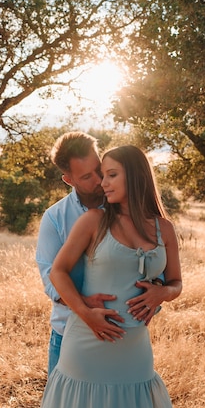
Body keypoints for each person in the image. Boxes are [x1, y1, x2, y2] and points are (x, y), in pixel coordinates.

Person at [4, 145, 182, 408]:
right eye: (101, 176)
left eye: (112, 175)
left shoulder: (164, 229)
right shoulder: (93, 220)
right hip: (87, 346)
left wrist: (160, 295)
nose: (103, 183)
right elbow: (57, 272)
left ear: (135, 177)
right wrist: (86, 313)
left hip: (134, 352)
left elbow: (176, 282)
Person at [36, 131, 122, 375]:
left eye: (99, 169)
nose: (99, 180)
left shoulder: (125, 208)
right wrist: (84, 307)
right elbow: (50, 279)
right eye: (86, 176)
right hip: (67, 334)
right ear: (68, 180)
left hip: (119, 335)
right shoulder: (55, 218)